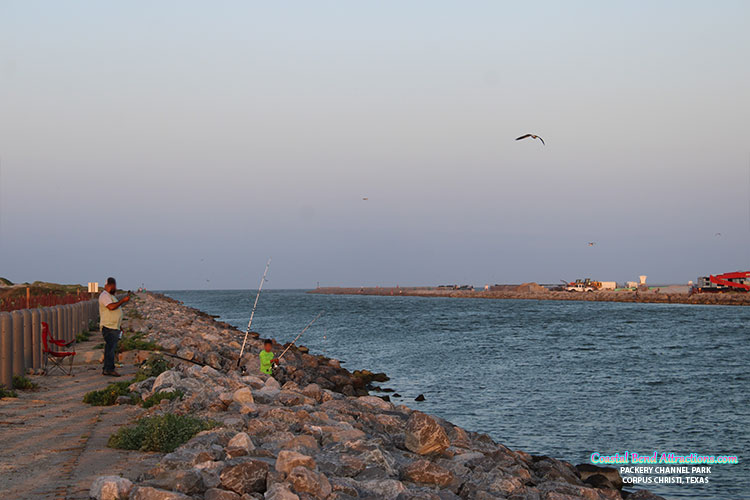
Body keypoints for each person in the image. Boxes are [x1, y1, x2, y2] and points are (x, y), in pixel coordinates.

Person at [99, 277, 130, 377]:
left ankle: (107, 368)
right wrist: (123, 301)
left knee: (110, 348)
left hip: (114, 326)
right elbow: (111, 307)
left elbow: (116, 311)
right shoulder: (104, 296)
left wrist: (119, 325)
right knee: (110, 349)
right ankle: (109, 369)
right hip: (109, 327)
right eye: (113, 286)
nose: (115, 288)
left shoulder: (110, 296)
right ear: (108, 286)